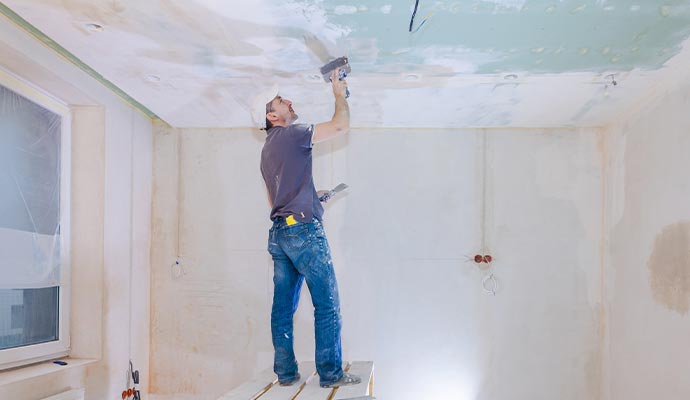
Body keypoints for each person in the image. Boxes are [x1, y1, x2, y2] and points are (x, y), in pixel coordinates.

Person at [252, 69, 361, 388]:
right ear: (273, 115)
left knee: (282, 308)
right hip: (303, 233)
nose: (287, 100)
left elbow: (277, 199)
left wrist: (314, 197)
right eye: (279, 101)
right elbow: (341, 125)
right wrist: (339, 94)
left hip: (280, 234)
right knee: (327, 303)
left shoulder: (267, 151)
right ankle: (330, 374)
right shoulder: (291, 134)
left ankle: (285, 373)